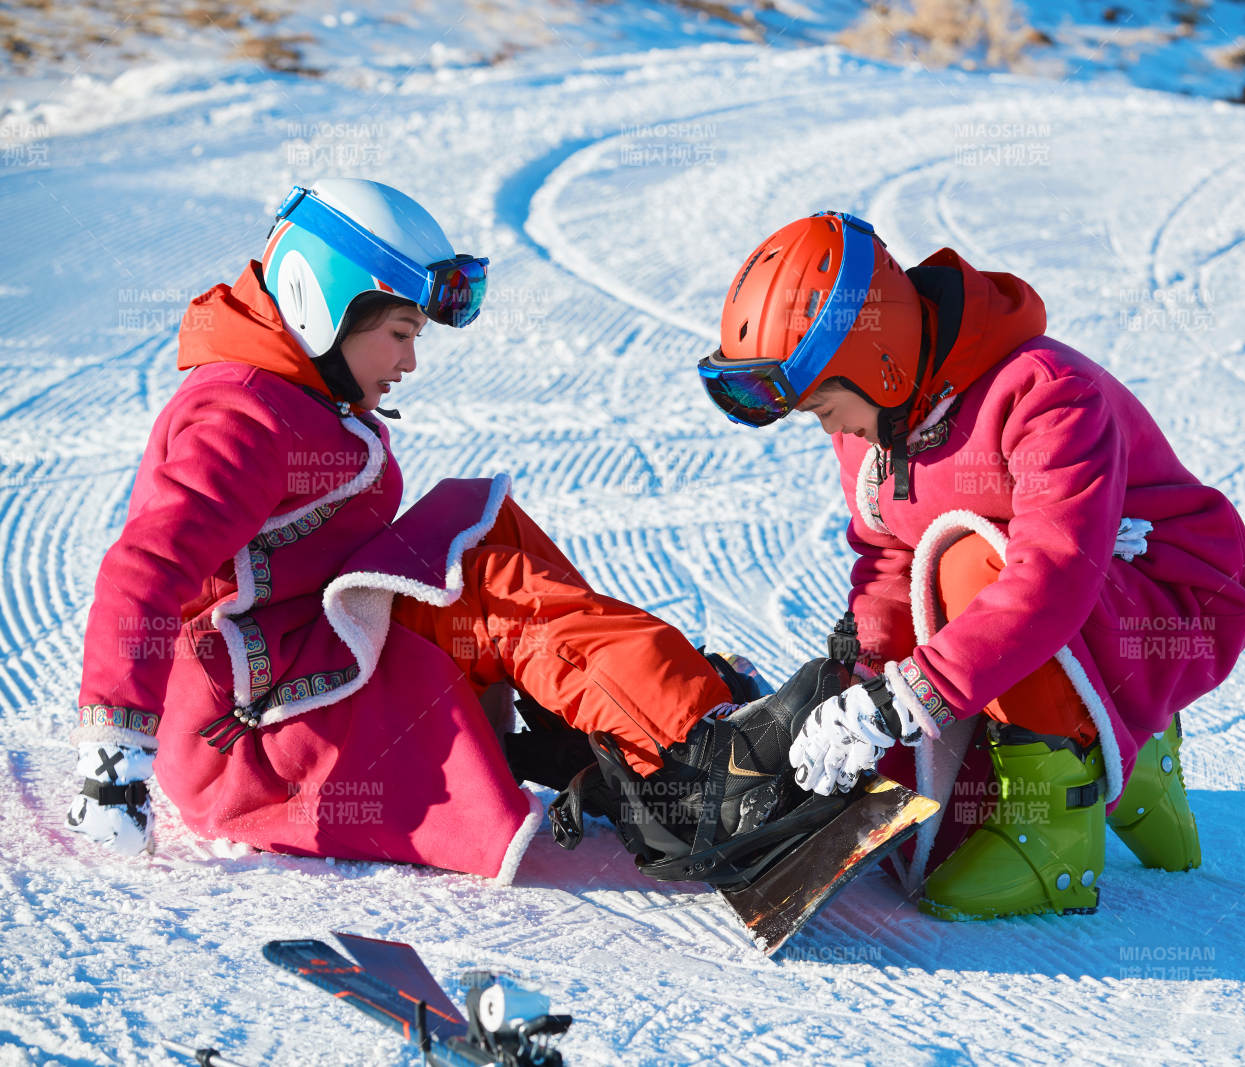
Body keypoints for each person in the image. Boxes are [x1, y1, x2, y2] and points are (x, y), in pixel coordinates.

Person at [64, 179, 845, 884]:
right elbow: (144, 567)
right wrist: (113, 758)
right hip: (257, 740)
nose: (408, 361)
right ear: (321, 305)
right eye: (400, 332)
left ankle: (645, 730)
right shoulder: (237, 415)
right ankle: (705, 764)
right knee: (484, 589)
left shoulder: (289, 391)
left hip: (305, 659)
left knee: (482, 528)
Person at [697, 210, 1245, 919]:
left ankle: (1056, 827)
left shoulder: (1046, 393)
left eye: (823, 406)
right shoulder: (876, 426)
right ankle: (1134, 751)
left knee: (976, 560)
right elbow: (887, 551)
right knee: (935, 824)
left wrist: (911, 696)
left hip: (1170, 599)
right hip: (1076, 617)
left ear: (877, 359)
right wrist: (866, 676)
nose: (827, 429)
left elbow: (1051, 576)